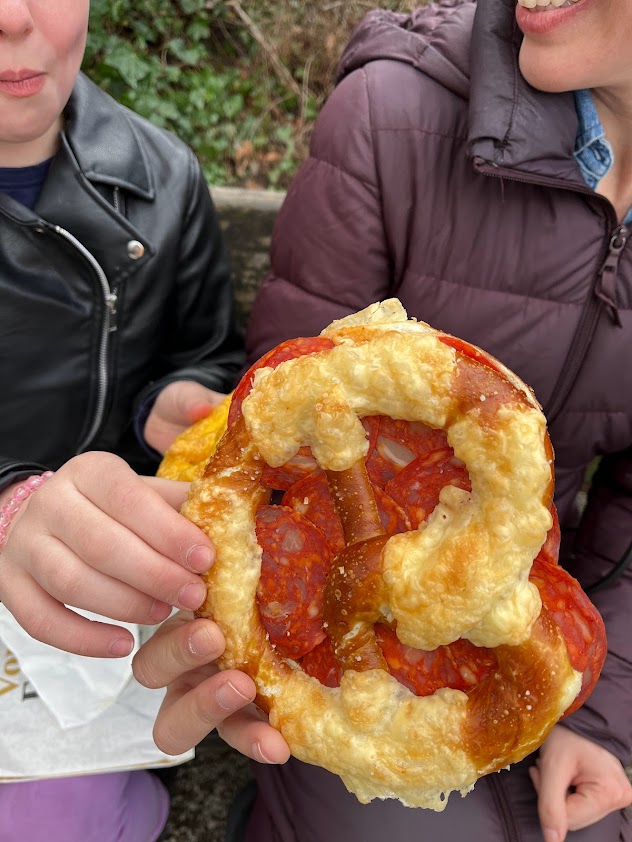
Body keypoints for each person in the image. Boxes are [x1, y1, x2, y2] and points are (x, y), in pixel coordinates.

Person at [133, 0, 632, 840]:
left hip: (558, 634)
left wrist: (600, 713)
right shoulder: (391, 116)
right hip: (338, 648)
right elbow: (271, 462)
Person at [0, 1, 251, 839]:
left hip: (103, 594)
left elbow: (205, 351)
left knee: (60, 811)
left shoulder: (162, 179)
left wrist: (164, 408)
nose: (10, 17)